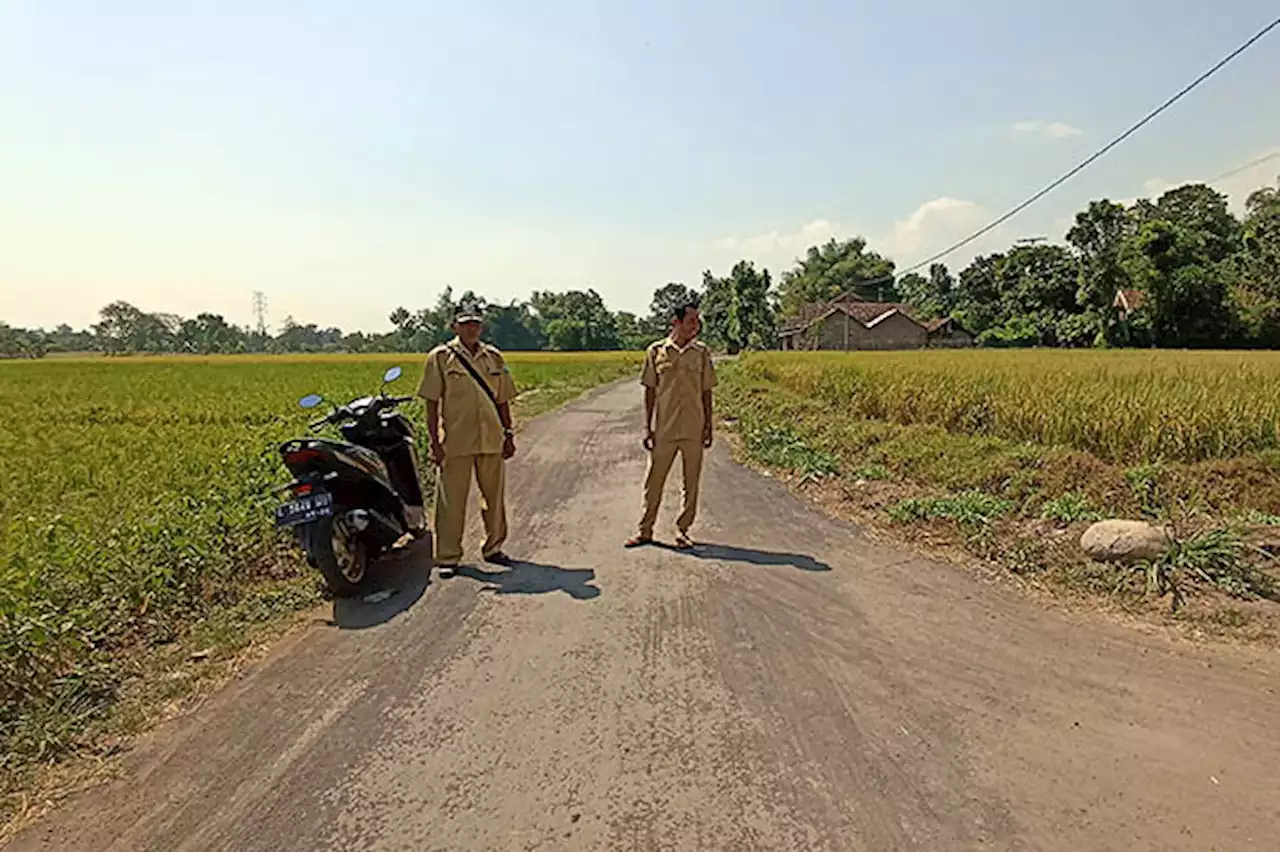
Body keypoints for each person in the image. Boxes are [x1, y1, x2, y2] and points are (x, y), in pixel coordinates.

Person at [417, 308, 518, 571]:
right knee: (451, 501)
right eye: (466, 324)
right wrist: (434, 443)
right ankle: (448, 557)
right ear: (454, 327)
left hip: (491, 437)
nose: (472, 328)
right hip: (456, 440)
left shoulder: (493, 357)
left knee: (494, 498)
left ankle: (493, 547)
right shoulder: (440, 358)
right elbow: (431, 403)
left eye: (476, 324)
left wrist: (509, 433)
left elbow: (503, 399)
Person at [624, 303, 717, 550]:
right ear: (676, 322)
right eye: (690, 321)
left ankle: (683, 530)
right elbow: (650, 391)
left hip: (693, 428)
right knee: (654, 480)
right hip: (664, 429)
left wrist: (709, 425)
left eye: (697, 321)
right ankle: (645, 530)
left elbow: (707, 392)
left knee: (691, 482)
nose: (695, 325)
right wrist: (647, 427)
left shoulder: (702, 353)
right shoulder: (656, 352)